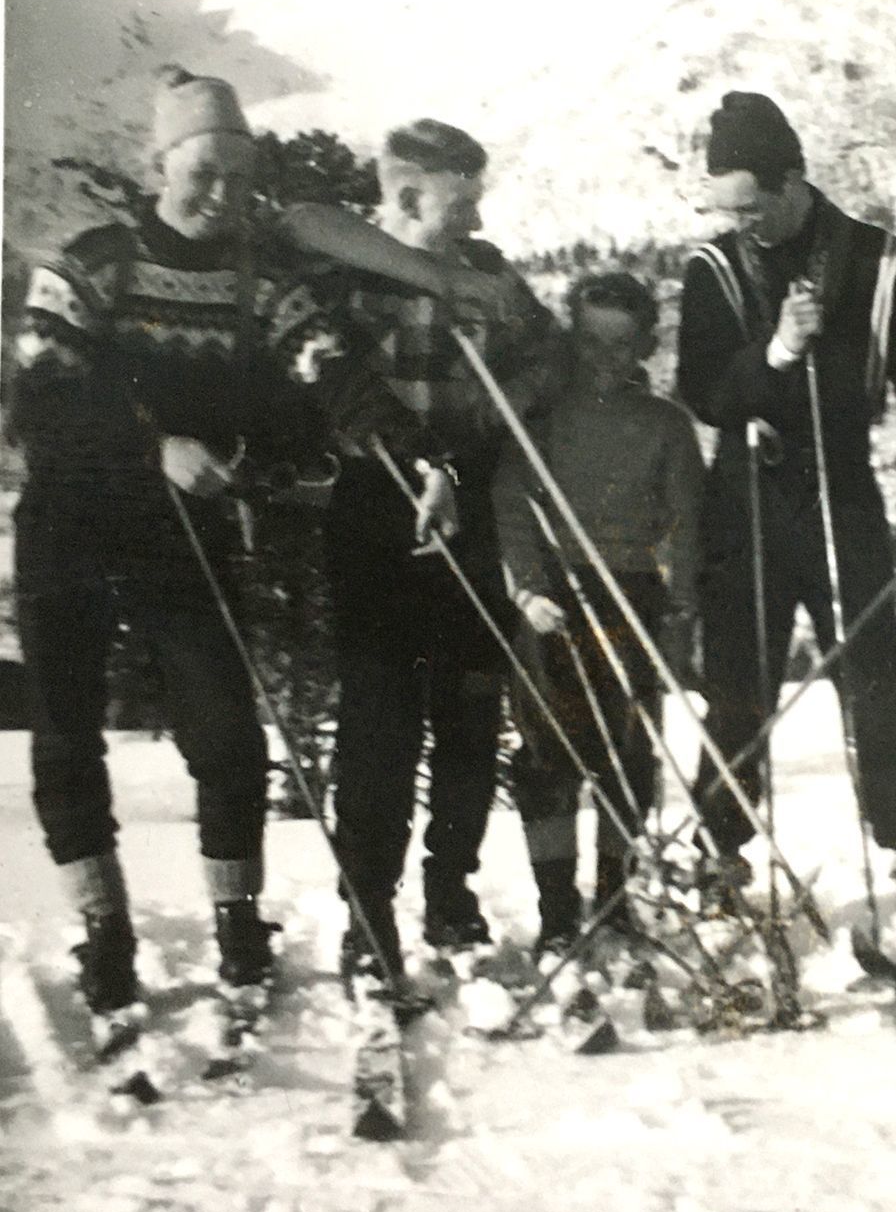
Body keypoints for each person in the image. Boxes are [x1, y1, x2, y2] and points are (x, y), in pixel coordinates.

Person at [5, 67, 476, 1026]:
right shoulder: (91, 262)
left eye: (235, 172)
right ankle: (105, 935)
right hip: (69, 521)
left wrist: (422, 458)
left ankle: (236, 927)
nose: (219, 193)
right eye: (201, 171)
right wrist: (155, 446)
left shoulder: (260, 282)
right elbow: (42, 396)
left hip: (184, 531)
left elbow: (335, 376)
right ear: (158, 165)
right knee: (65, 734)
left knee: (223, 735)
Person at [675, 91, 896, 928]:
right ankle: (720, 854)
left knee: (873, 681)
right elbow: (699, 390)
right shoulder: (711, 269)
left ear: (794, 180)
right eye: (724, 209)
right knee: (738, 690)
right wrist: (772, 354)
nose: (739, 224)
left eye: (752, 207)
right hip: (744, 496)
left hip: (839, 488)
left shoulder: (875, 262)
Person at [284, 118, 561, 981]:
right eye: (460, 201)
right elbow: (333, 373)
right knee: (380, 726)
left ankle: (451, 896)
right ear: (405, 195)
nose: (475, 219)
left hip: (469, 507)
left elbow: (549, 351)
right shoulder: (331, 276)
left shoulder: (487, 273)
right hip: (376, 511)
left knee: (472, 720)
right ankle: (369, 917)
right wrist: (419, 457)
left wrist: (483, 419)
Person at [494, 271, 703, 958]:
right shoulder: (543, 419)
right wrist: (527, 588)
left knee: (628, 753)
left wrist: (677, 613)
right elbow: (512, 505)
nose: (605, 360)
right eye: (590, 343)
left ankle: (614, 902)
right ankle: (559, 912)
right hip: (555, 596)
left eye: (621, 345)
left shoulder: (667, 425)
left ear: (646, 344)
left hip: (631, 595)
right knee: (548, 757)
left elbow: (685, 528)